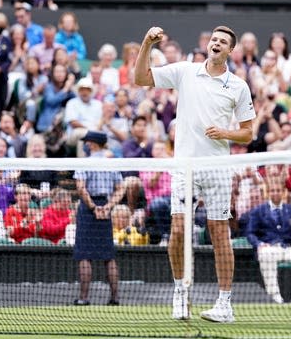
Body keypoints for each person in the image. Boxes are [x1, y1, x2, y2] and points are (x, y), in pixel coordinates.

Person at [134, 25, 256, 322]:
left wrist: (224, 132)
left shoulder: (238, 86)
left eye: (223, 41)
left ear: (230, 50)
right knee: (178, 231)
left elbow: (248, 134)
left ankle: (224, 304)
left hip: (217, 169)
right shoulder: (185, 71)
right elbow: (140, 78)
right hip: (184, 168)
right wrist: (147, 44)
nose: (216, 43)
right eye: (214, 39)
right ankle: (179, 294)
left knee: (219, 235)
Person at [73, 131, 125, 306]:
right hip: (104, 208)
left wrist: (94, 208)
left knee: (84, 255)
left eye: (86, 142)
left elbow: (81, 188)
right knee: (108, 256)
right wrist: (107, 207)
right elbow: (120, 189)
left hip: (90, 209)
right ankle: (115, 298)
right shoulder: (111, 164)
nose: (85, 145)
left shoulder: (85, 163)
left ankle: (84, 298)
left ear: (91, 144)